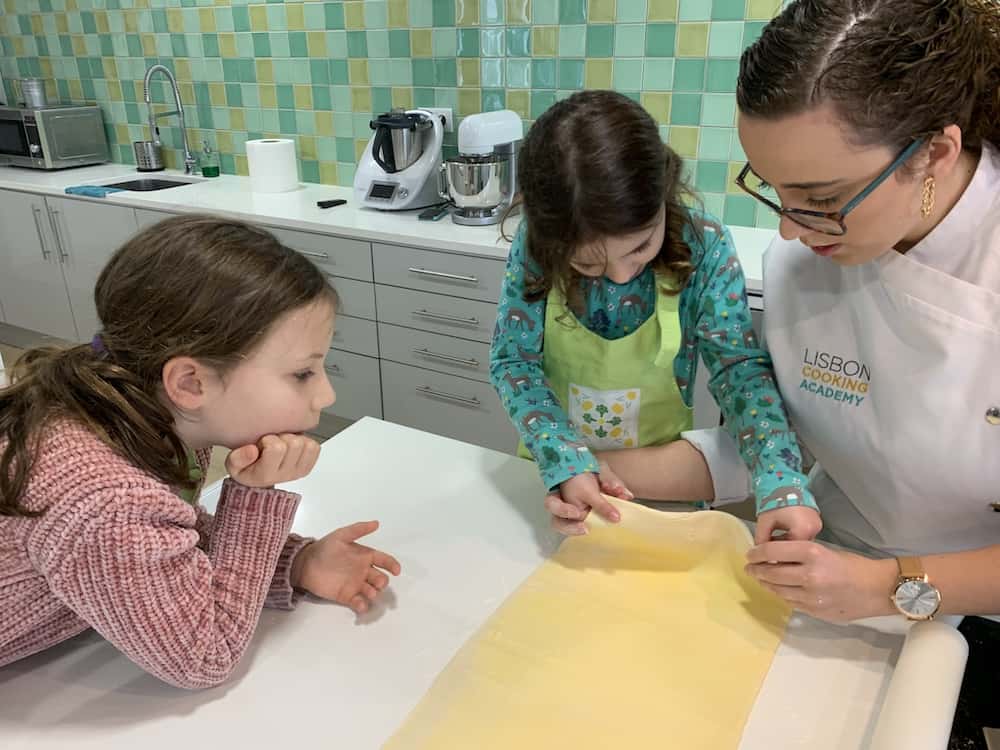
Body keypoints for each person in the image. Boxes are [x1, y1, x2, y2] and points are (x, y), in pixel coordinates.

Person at [0, 215, 401, 689]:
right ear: (191, 382)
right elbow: (203, 655)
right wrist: (255, 495)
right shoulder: (102, 499)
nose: (326, 396)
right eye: (302, 374)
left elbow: (170, 541)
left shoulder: (139, 410)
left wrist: (295, 561)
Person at [489, 89, 820, 543]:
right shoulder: (534, 245)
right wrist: (564, 461)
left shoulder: (704, 247)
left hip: (661, 488)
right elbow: (514, 363)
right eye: (588, 265)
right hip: (555, 482)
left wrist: (780, 478)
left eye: (641, 248)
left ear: (664, 195)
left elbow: (738, 369)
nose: (622, 276)